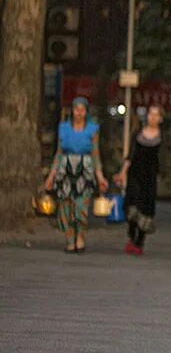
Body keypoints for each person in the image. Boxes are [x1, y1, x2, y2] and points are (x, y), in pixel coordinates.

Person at [114, 105, 171, 255]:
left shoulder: (163, 136)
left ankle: (139, 242)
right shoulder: (137, 134)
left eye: (156, 115)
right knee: (131, 207)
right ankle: (131, 234)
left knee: (145, 209)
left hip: (150, 176)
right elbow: (130, 156)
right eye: (150, 114)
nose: (152, 117)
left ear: (160, 119)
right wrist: (122, 173)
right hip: (135, 175)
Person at [44, 97, 109, 253]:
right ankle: (69, 238)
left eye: (82, 110)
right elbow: (58, 153)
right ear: (72, 111)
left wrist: (99, 176)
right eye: (76, 109)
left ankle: (80, 237)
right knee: (65, 206)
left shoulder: (92, 129)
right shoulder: (63, 128)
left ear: (86, 112)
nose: (79, 113)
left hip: (85, 169)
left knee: (81, 207)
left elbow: (95, 154)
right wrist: (51, 176)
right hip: (65, 169)